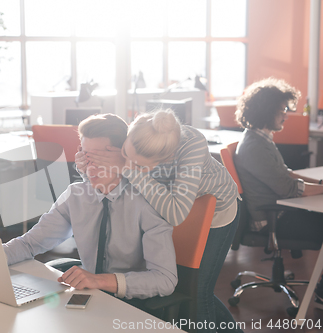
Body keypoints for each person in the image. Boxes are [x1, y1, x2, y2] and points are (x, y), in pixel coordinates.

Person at [76, 109, 241, 332]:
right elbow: (116, 182)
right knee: (186, 286)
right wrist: (88, 168)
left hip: (214, 211)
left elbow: (175, 212)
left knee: (198, 291)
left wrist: (128, 168)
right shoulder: (141, 131)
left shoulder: (191, 147)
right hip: (170, 205)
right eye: (126, 153)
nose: (131, 165)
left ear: (164, 160)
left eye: (141, 166)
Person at [4, 114, 177, 301]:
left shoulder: (146, 203)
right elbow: (30, 244)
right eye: (86, 156)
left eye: (100, 157)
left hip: (131, 303)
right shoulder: (76, 196)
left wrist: (100, 281)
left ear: (124, 157)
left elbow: (164, 279)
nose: (91, 167)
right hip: (89, 296)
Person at [234, 77, 323, 303]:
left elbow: (287, 173)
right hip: (272, 220)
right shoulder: (254, 146)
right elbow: (288, 188)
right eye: (283, 109)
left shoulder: (260, 139)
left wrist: (319, 184)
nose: (286, 114)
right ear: (267, 110)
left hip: (280, 210)